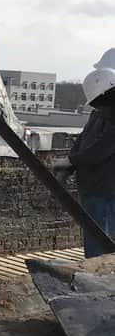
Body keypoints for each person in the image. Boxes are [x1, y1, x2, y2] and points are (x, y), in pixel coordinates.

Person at [57, 64, 115, 259]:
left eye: (102, 105)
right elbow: (83, 140)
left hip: (108, 191)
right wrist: (70, 163)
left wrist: (71, 161)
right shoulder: (98, 114)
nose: (99, 109)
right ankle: (97, 274)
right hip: (91, 189)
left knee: (102, 242)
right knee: (94, 240)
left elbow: (102, 149)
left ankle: (102, 278)